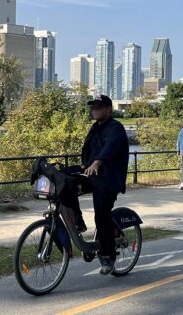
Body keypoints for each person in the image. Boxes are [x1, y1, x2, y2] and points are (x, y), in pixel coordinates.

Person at [66, 94, 129, 275]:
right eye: (93, 107)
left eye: (99, 107)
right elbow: (89, 152)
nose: (95, 110)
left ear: (108, 109)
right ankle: (78, 222)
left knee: (101, 215)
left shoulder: (116, 128)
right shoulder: (94, 128)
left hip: (108, 179)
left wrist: (97, 162)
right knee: (65, 183)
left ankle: (108, 257)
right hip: (92, 173)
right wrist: (85, 166)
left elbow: (109, 148)